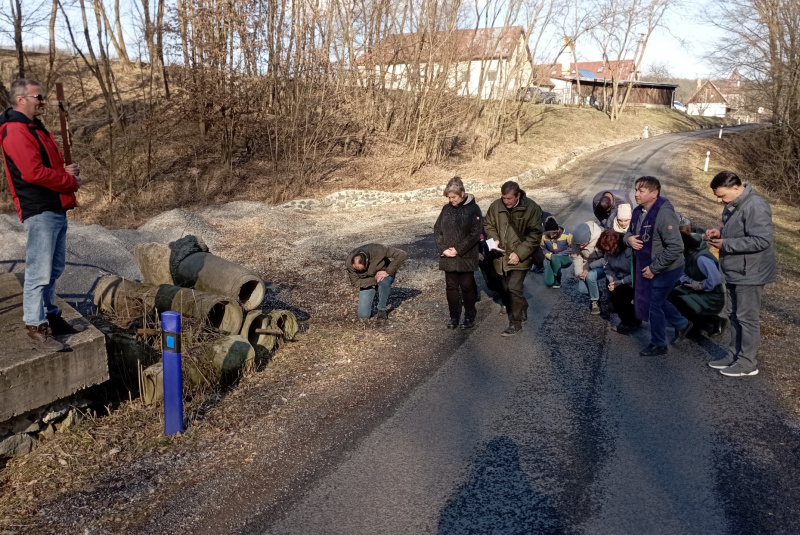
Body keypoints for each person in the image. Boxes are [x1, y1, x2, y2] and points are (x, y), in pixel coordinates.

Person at [0, 78, 84, 352]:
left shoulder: (35, 128)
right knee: (39, 270)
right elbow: (32, 172)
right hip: (39, 207)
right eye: (39, 96)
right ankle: (35, 326)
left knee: (54, 267)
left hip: (53, 205)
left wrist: (66, 173)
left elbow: (49, 167)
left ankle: (49, 314)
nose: (44, 101)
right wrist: (68, 182)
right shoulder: (15, 130)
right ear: (21, 99)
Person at [706, 171, 775, 377]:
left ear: (736, 188)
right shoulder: (735, 204)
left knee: (747, 318)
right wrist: (721, 232)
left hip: (751, 271)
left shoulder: (756, 205)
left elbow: (762, 240)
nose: (719, 200)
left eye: (721, 195)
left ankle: (747, 363)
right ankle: (734, 355)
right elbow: (741, 232)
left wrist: (726, 243)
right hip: (736, 269)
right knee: (734, 314)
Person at [625, 176, 691, 356]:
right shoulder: (639, 211)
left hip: (668, 267)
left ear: (654, 193)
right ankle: (682, 324)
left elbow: (676, 247)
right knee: (659, 300)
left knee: (653, 303)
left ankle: (659, 343)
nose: (636, 194)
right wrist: (628, 239)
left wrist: (654, 268)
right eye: (636, 190)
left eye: (641, 191)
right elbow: (630, 232)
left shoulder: (663, 214)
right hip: (650, 264)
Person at [484, 180, 543, 336]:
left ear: (518, 195)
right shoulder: (496, 206)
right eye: (504, 198)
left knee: (514, 288)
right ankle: (522, 306)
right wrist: (494, 239)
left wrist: (519, 253)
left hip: (521, 257)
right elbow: (488, 224)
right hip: (501, 256)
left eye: (509, 198)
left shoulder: (531, 208)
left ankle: (515, 323)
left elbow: (535, 235)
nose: (506, 201)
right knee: (505, 288)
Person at [434, 177, 482, 329]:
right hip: (448, 256)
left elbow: (475, 234)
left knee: (467, 287)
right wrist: (443, 249)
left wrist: (458, 249)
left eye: (453, 197)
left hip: (465, 256)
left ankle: (469, 316)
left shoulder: (474, 209)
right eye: (448, 197)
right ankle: (453, 317)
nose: (451, 200)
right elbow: (437, 230)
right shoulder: (446, 209)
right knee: (451, 288)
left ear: (462, 193)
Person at [669, 227, 727, 336]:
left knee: (677, 299)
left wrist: (701, 286)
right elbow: (680, 274)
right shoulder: (687, 255)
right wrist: (692, 281)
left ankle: (708, 322)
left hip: (712, 296)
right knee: (672, 292)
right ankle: (701, 322)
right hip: (699, 290)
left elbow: (716, 279)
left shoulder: (701, 258)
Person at [346, 243, 407, 323]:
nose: (359, 271)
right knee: (363, 315)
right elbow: (356, 282)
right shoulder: (349, 262)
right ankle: (375, 288)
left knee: (384, 282)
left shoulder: (378, 249)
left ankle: (381, 309)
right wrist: (375, 279)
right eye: (357, 269)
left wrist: (388, 271)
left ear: (367, 261)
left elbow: (402, 254)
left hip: (384, 275)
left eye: (361, 269)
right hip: (367, 281)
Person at [596, 229, 640, 333]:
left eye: (610, 249)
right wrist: (615, 281)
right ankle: (629, 320)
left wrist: (623, 281)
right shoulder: (608, 252)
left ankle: (629, 323)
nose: (609, 252)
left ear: (616, 243)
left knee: (624, 298)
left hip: (633, 280)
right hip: (619, 279)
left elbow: (637, 273)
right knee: (615, 303)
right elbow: (607, 267)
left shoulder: (631, 250)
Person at [570, 220, 604, 314]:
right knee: (582, 289)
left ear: (589, 239)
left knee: (590, 276)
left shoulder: (601, 237)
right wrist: (579, 273)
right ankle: (596, 293)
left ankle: (595, 301)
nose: (580, 247)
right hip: (587, 264)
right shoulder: (575, 241)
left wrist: (589, 269)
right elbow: (577, 257)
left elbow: (607, 259)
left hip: (603, 264)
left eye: (583, 244)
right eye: (578, 244)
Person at [540, 215, 572, 289]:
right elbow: (543, 249)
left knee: (556, 258)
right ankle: (553, 276)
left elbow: (572, 248)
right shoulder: (543, 237)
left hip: (565, 259)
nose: (551, 236)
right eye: (549, 234)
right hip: (551, 258)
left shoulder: (567, 235)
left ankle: (558, 278)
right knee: (548, 283)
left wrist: (560, 255)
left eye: (553, 234)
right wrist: (550, 256)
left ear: (557, 231)